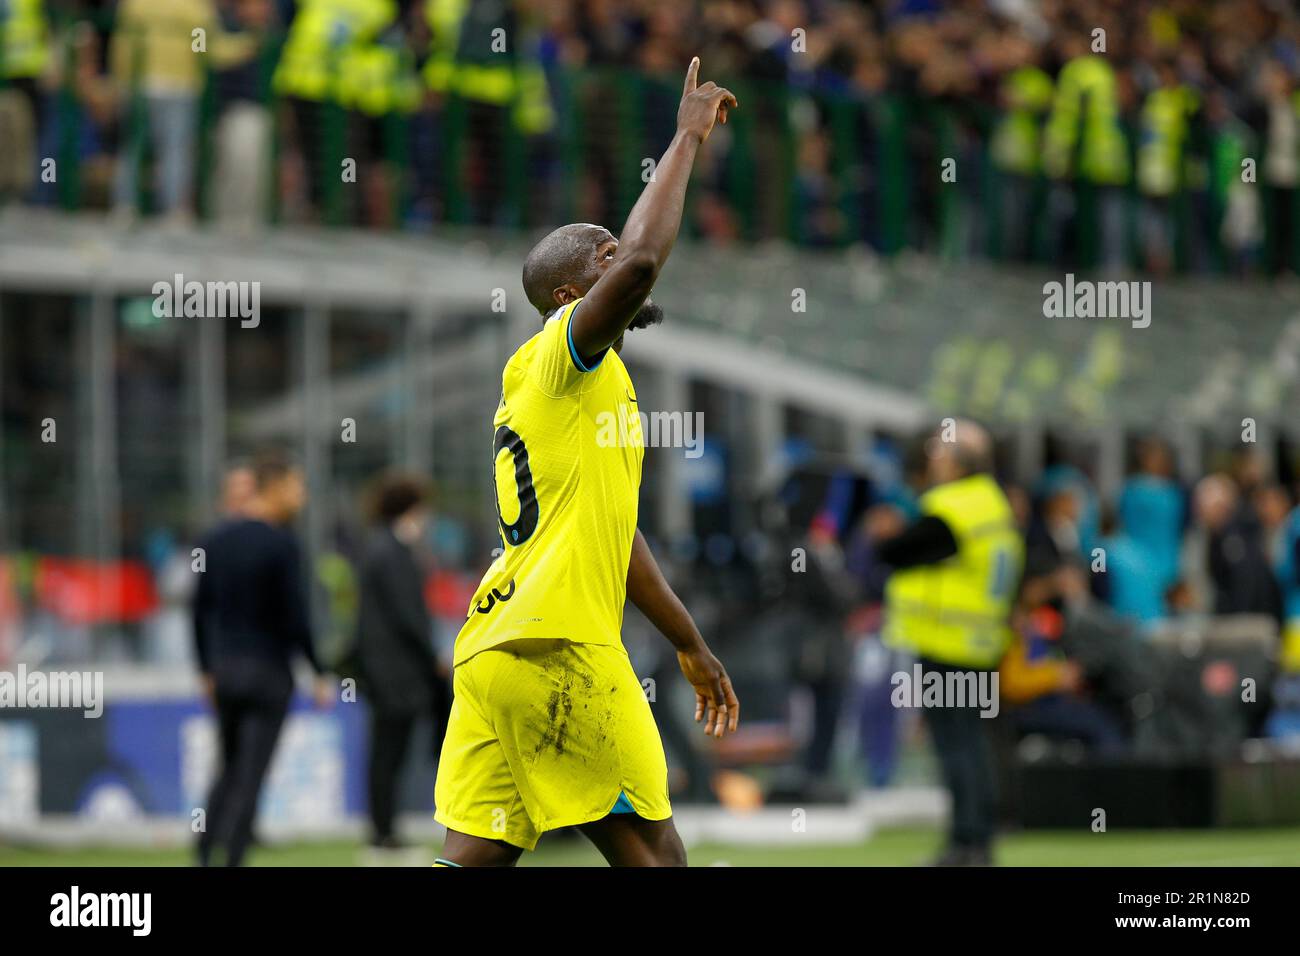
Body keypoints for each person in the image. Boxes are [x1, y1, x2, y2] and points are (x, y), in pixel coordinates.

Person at [432, 57, 740, 867]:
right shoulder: (562, 357)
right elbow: (642, 262)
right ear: (571, 298)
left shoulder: (576, 388)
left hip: (498, 647)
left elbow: (620, 543)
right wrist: (685, 139)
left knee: (475, 857)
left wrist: (687, 640)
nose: (625, 254)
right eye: (600, 253)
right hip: (556, 647)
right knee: (654, 855)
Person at [874, 419, 1023, 866]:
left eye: (939, 454)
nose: (931, 463)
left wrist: (882, 532)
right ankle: (979, 839)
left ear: (959, 463)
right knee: (972, 742)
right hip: (979, 641)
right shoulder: (991, 504)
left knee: (956, 745)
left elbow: (897, 551)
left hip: (948, 642)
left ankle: (967, 842)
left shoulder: (955, 505)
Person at [192, 452, 332, 866]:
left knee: (228, 766)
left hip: (226, 671)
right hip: (269, 672)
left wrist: (205, 669)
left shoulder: (215, 541)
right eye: (296, 486)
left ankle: (202, 853)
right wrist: (318, 669)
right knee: (252, 773)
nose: (302, 496)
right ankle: (234, 857)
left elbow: (200, 610)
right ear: (272, 487)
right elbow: (295, 614)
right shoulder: (283, 543)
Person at [355, 473, 448, 849]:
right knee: (388, 753)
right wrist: (433, 654)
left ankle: (383, 827)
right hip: (395, 673)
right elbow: (408, 615)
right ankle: (383, 830)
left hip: (384, 671)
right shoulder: (393, 553)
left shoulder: (379, 548)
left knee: (386, 753)